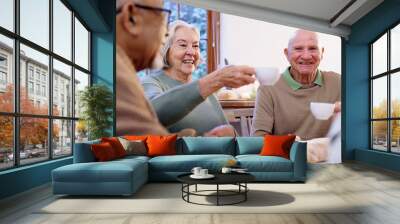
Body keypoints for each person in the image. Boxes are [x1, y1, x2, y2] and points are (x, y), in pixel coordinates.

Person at [141, 20, 256, 136]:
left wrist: (232, 133)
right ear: (166, 49)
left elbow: (227, 131)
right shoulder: (151, 83)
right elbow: (151, 114)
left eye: (195, 46)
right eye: (182, 45)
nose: (191, 52)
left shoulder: (204, 88)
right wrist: (217, 79)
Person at [251, 29, 341, 163]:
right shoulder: (268, 88)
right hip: (287, 162)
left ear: (322, 53)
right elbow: (258, 140)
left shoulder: (339, 83)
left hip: (330, 164)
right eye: (298, 49)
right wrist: (290, 145)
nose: (306, 56)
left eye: (312, 49)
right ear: (287, 54)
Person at [115, 0, 194, 136]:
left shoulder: (124, 68)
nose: (166, 33)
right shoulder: (118, 74)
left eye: (196, 45)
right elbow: (149, 140)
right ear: (131, 18)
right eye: (162, 16)